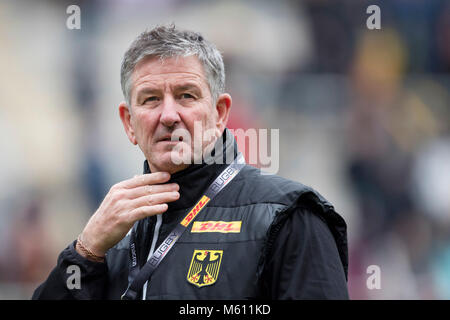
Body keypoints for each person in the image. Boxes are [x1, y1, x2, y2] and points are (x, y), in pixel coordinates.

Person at [32, 25, 349, 300]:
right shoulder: (109, 240)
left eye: (186, 95)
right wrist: (85, 252)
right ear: (129, 123)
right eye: (151, 99)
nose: (168, 116)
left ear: (220, 114)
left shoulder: (290, 218)